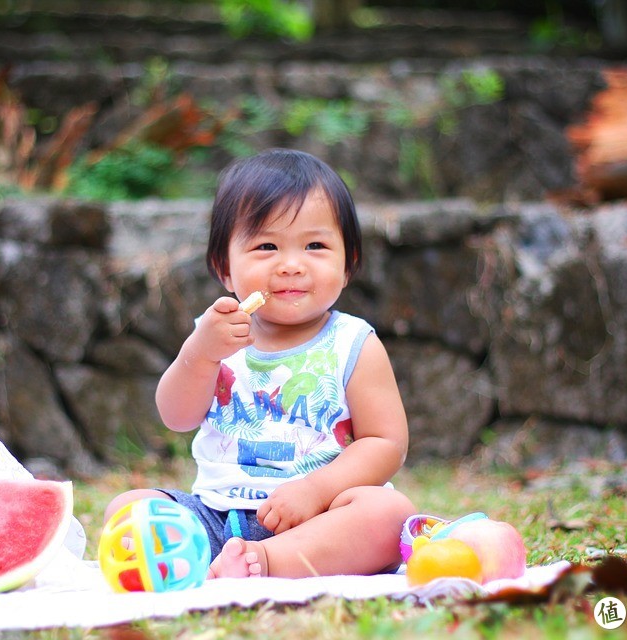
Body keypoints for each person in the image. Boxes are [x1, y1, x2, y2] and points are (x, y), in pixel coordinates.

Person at [104, 148, 415, 578]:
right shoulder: (215, 334)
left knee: (389, 513)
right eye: (266, 245)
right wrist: (200, 353)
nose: (291, 265)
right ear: (224, 269)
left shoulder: (353, 343)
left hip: (320, 517)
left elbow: (386, 443)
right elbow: (176, 417)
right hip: (216, 516)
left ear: (348, 265)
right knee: (128, 509)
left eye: (316, 245)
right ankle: (221, 559)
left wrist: (314, 489)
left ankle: (267, 562)